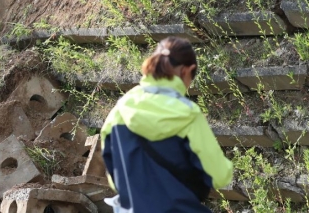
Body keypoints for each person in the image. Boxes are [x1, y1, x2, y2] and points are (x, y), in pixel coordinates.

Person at [100, 36, 233, 213]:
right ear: (187, 71)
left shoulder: (119, 110)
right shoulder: (186, 112)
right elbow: (219, 176)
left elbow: (114, 178)